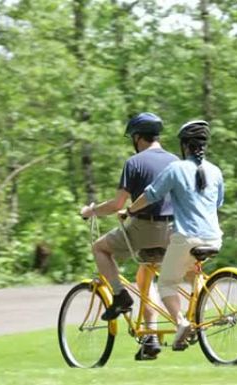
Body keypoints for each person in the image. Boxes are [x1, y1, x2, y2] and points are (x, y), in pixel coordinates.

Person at [80, 112, 178, 360]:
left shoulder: (134, 162)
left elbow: (116, 204)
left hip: (145, 229)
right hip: (174, 232)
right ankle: (150, 337)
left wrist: (91, 211)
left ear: (137, 137)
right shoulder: (176, 161)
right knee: (146, 273)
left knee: (100, 248)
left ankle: (119, 295)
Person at [126, 120, 223, 351]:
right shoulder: (215, 171)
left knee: (167, 283)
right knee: (190, 273)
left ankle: (181, 323)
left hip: (187, 238)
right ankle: (198, 316)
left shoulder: (176, 169)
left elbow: (151, 195)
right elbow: (218, 203)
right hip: (214, 238)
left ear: (184, 146)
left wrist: (130, 210)